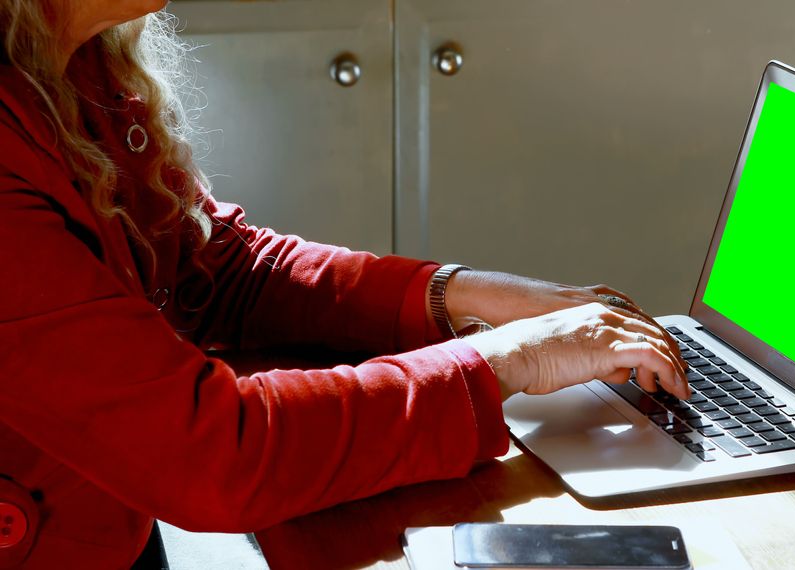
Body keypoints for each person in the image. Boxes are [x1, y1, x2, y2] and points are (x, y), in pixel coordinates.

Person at [0, 1, 689, 567]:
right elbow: (211, 455)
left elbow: (220, 273)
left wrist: (455, 295)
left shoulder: (68, 56)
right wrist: (514, 359)